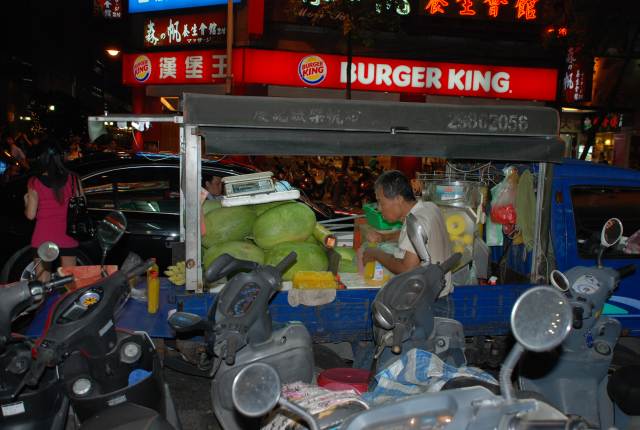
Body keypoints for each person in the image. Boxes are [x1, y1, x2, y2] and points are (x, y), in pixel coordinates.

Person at [360, 170, 453, 317]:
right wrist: (384, 237)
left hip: (427, 306)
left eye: (381, 202)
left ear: (398, 199)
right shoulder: (429, 208)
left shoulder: (415, 221)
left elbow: (407, 268)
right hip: (441, 297)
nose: (379, 208)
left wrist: (376, 254)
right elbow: (415, 235)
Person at [24, 141, 79, 280]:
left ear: (41, 158)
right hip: (68, 235)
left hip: (43, 236)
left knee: (43, 284)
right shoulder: (74, 179)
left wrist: (26, 202)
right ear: (61, 156)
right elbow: (81, 204)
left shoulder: (34, 182)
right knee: (69, 282)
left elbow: (30, 215)